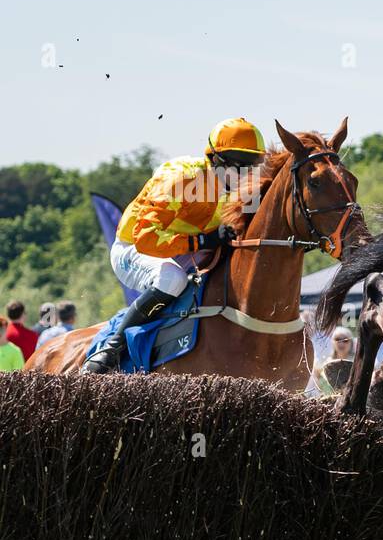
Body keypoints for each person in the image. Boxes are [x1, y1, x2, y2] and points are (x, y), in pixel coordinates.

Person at [82, 118, 266, 374]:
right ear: (215, 159)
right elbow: (146, 238)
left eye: (253, 165)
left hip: (187, 252)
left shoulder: (247, 191)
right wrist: (203, 240)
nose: (246, 175)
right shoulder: (181, 177)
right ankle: (113, 347)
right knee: (172, 280)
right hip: (135, 248)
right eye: (239, 164)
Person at [311, 327, 356, 395]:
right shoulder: (323, 364)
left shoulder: (358, 363)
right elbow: (314, 384)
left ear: (351, 342)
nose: (341, 343)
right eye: (338, 339)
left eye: (345, 340)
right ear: (332, 342)